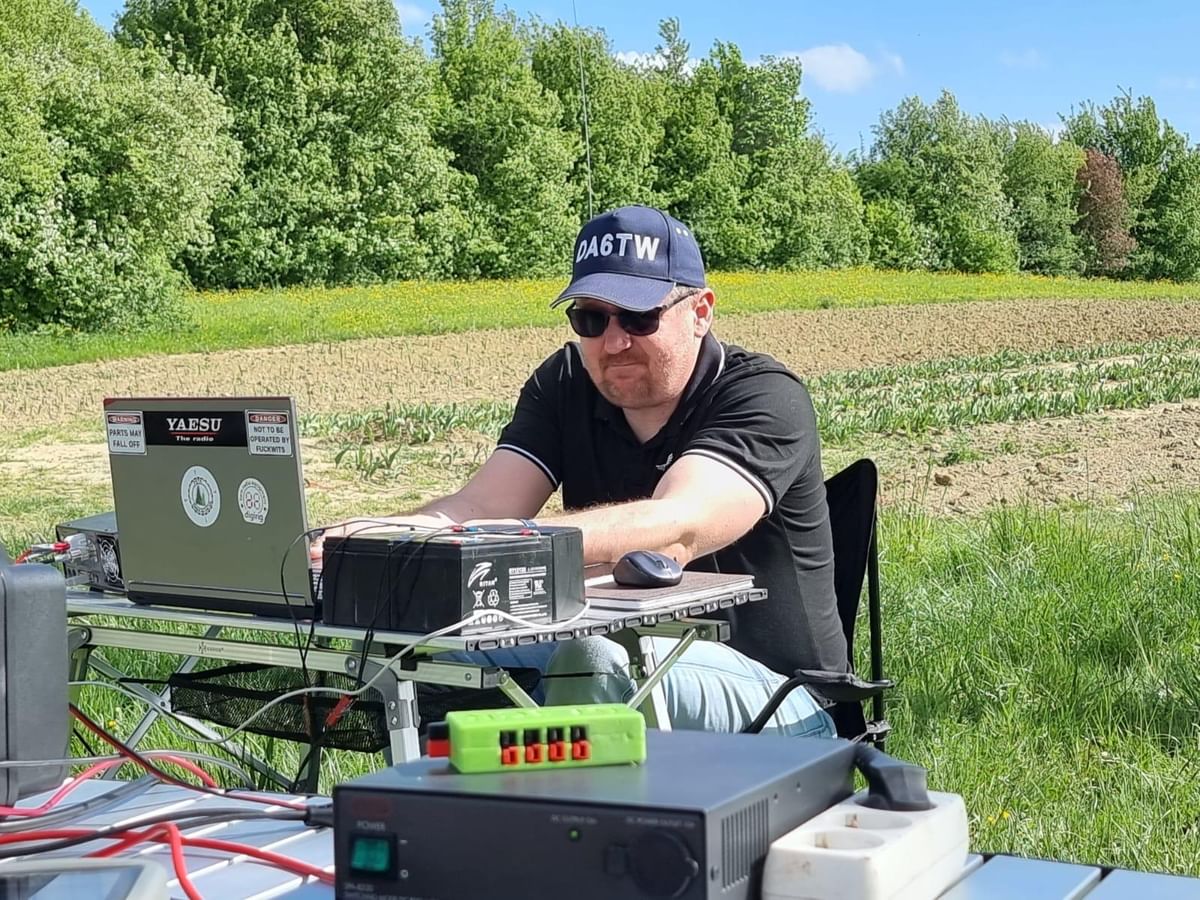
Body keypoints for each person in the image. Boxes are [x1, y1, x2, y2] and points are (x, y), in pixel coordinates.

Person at [331, 205, 847, 738]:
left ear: (700, 312)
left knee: (595, 660)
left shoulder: (764, 395)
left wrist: (511, 543)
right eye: (591, 320)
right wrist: (377, 539)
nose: (614, 342)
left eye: (639, 318)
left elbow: (677, 525)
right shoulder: (565, 383)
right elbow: (480, 506)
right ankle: (441, 794)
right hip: (618, 646)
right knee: (414, 652)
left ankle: (564, 794)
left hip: (784, 702)